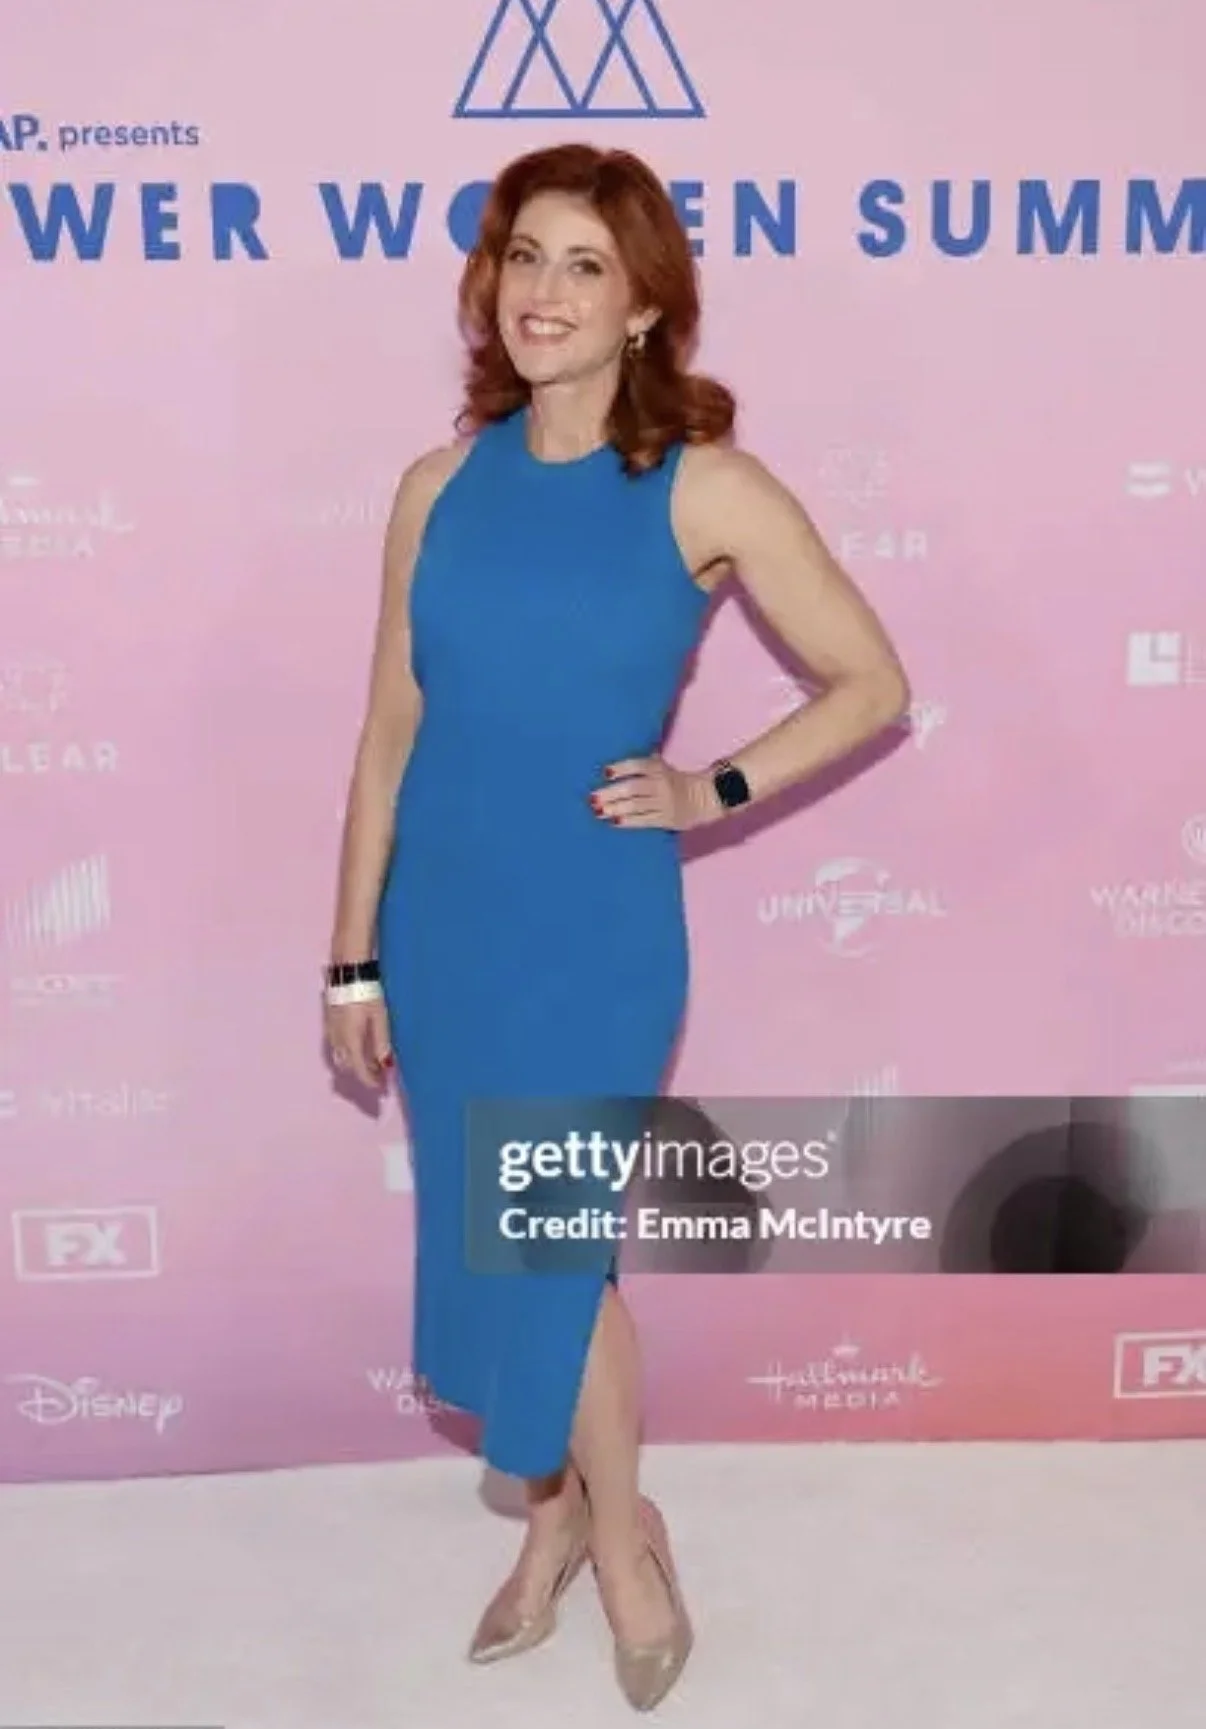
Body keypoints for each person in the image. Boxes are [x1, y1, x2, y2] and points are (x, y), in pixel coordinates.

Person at [323, 141, 909, 1709]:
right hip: (444, 923)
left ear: (645, 304)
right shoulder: (437, 487)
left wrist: (713, 788)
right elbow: (388, 735)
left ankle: (622, 1539)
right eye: (522, 256)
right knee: (508, 1241)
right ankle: (560, 1522)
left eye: (584, 264)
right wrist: (352, 954)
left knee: (553, 1240)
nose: (543, 292)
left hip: (589, 930)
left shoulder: (704, 485)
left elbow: (871, 682)